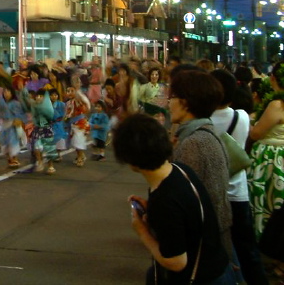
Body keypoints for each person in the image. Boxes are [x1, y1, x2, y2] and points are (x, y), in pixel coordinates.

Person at [114, 114, 232, 285]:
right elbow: (188, 217)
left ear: (131, 159)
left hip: (201, 278)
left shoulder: (164, 200)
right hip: (217, 267)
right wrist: (153, 214)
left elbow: (176, 262)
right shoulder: (181, 170)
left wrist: (142, 231)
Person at [210, 69, 269, 285]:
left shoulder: (203, 119)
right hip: (238, 192)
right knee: (247, 249)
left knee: (216, 247)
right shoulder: (242, 116)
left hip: (214, 194)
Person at [169, 69, 233, 263]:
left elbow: (184, 202)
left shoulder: (194, 143)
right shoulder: (206, 134)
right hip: (214, 241)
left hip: (202, 249)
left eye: (172, 96)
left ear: (185, 102)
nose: (168, 102)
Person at [248, 61, 284, 253]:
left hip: (272, 160)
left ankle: (271, 247)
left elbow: (256, 134)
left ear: (272, 78)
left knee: (271, 204)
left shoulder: (277, 105)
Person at [0, 86, 27, 168]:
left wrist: (18, 120)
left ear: (12, 93)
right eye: (5, 92)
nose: (6, 94)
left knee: (13, 141)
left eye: (8, 92)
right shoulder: (1, 102)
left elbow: (20, 114)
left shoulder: (16, 103)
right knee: (4, 142)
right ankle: (9, 158)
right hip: (4, 124)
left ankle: (14, 158)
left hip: (13, 125)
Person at [29, 89, 57, 174]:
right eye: (37, 96)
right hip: (38, 128)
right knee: (36, 147)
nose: (38, 98)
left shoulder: (49, 107)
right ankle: (40, 161)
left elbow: (50, 116)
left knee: (49, 149)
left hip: (47, 129)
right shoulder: (35, 106)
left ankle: (50, 166)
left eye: (41, 96)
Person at [64, 85, 90, 167]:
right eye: (68, 91)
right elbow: (67, 115)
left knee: (78, 141)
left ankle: (80, 157)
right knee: (75, 142)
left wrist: (78, 90)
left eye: (72, 91)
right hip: (72, 124)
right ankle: (80, 155)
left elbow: (82, 99)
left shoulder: (78, 100)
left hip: (80, 123)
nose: (70, 93)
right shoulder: (68, 103)